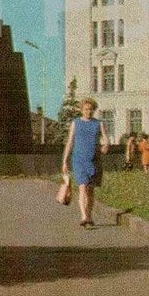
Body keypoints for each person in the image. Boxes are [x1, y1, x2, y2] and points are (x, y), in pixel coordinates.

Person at [61, 97, 110, 227]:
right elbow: (70, 142)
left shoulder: (99, 123)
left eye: (91, 109)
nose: (89, 111)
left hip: (94, 160)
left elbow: (105, 137)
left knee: (90, 190)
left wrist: (106, 145)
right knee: (82, 187)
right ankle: (83, 217)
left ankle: (89, 215)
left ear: (94, 110)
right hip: (79, 159)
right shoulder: (76, 123)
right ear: (82, 110)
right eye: (86, 109)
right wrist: (65, 161)